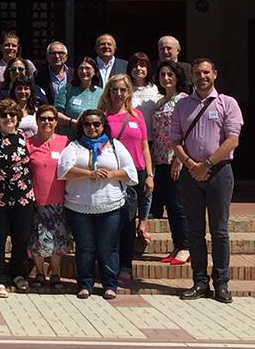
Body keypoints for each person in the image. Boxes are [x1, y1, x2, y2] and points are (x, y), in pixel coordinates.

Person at [170, 58, 243, 304]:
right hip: (191, 174)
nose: (201, 76)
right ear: (191, 76)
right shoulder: (182, 105)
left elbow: (232, 140)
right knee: (195, 232)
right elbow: (175, 141)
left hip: (219, 173)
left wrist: (207, 165)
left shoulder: (227, 103)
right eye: (196, 72)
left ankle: (221, 283)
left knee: (220, 231)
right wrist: (192, 166)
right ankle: (200, 282)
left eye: (205, 72)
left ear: (214, 74)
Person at [57, 109, 138, 300]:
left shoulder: (115, 146)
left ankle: (110, 284)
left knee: (107, 247)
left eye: (96, 124)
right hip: (79, 206)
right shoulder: (74, 147)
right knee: (85, 247)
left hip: (110, 205)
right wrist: (89, 174)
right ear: (81, 127)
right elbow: (63, 170)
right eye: (87, 124)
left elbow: (131, 173)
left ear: (103, 126)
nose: (92, 128)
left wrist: (112, 174)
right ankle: (85, 284)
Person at [99, 74, 152, 285]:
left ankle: (125, 266)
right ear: (108, 92)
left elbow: (145, 147)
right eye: (114, 90)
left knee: (128, 222)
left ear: (128, 92)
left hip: (134, 175)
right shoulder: (102, 116)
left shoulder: (137, 115)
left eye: (122, 90)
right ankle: (105, 264)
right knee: (108, 222)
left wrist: (149, 174)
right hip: (110, 175)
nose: (118, 94)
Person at [0, 99, 35, 298]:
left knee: (21, 238)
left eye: (12, 115)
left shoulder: (23, 137)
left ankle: (17, 273)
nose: (8, 118)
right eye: (4, 115)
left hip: (23, 197)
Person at [25, 105, 71, 289]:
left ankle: (56, 273)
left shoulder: (65, 141)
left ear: (56, 122)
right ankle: (40, 272)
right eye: (43, 118)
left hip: (60, 199)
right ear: (36, 121)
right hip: (36, 199)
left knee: (58, 240)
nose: (47, 122)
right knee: (37, 239)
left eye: (50, 119)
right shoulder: (28, 142)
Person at [151, 61, 190, 266]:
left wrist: (179, 159)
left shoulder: (183, 100)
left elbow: (185, 130)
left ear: (177, 77)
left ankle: (185, 246)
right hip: (160, 159)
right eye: (162, 75)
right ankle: (177, 245)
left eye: (170, 75)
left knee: (178, 204)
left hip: (175, 159)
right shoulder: (159, 102)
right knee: (169, 204)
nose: (166, 78)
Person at [55, 57, 103, 137]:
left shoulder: (101, 93)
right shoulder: (66, 90)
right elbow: (56, 114)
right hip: (69, 139)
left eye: (87, 68)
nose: (84, 71)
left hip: (93, 140)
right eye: (81, 68)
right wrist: (71, 122)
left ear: (94, 71)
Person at [128, 52, 162, 138]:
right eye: (135, 66)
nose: (138, 68)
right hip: (132, 137)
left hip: (153, 138)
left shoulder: (156, 88)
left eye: (142, 66)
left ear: (148, 69)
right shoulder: (125, 89)